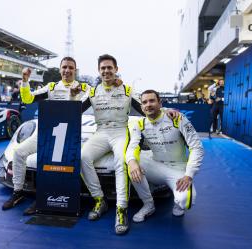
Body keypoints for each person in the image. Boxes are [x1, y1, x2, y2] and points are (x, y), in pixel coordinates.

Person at [80, 54, 179, 235]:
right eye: (103, 68)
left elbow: (147, 106)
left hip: (120, 132)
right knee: (83, 157)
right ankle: (100, 200)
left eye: (110, 67)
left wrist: (167, 111)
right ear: (99, 71)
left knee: (122, 161)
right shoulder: (92, 92)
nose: (106, 71)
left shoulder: (126, 89)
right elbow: (73, 109)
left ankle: (121, 209)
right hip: (101, 132)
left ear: (116, 69)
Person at [1, 57, 89, 214]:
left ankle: (44, 198)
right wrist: (25, 80)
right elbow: (27, 99)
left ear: (75, 70)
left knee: (54, 164)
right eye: (64, 67)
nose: (67, 70)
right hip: (45, 132)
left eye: (70, 67)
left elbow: (78, 109)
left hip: (67, 135)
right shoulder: (52, 87)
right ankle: (18, 192)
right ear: (60, 69)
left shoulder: (84, 88)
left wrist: (73, 96)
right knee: (19, 152)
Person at [126, 90, 204, 222]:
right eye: (144, 102)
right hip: (155, 165)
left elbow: (197, 148)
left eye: (152, 101)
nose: (148, 104)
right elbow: (132, 147)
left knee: (186, 201)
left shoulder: (177, 118)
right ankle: (148, 204)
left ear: (160, 103)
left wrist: (189, 175)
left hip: (178, 169)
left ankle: (178, 204)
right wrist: (132, 162)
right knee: (131, 164)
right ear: (141, 107)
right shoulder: (140, 124)